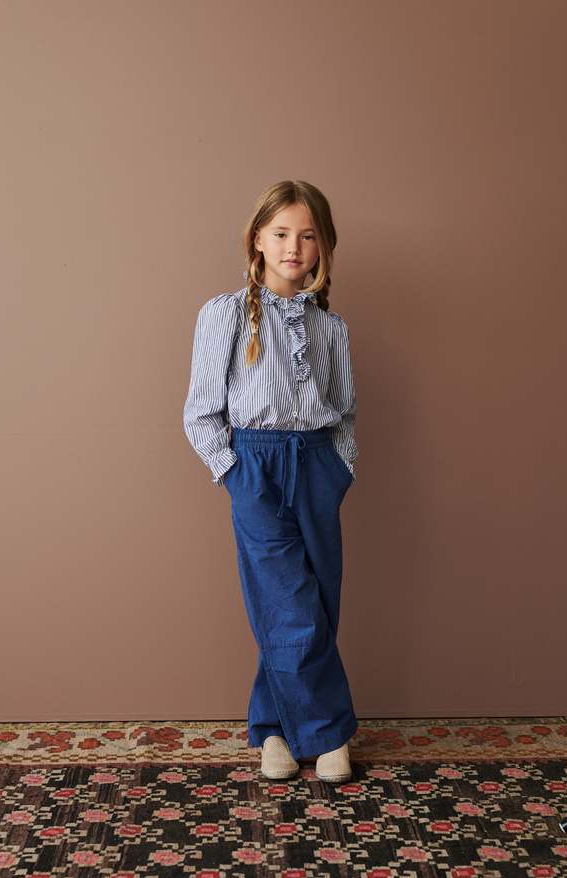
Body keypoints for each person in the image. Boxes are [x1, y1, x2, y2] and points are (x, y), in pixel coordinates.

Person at [183, 180, 358, 784]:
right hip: (255, 465)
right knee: (289, 606)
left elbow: (345, 410)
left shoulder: (331, 327)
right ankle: (329, 733)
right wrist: (234, 473)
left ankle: (274, 729)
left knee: (317, 601)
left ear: (322, 246)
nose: (293, 248)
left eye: (307, 236)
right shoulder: (225, 313)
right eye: (281, 233)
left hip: (318, 465)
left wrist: (341, 469)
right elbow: (200, 412)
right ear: (257, 239)